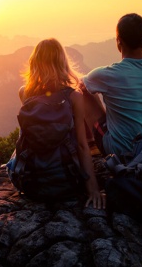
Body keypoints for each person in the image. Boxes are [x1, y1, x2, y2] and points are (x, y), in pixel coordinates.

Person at [18, 38, 105, 209]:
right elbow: (81, 145)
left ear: (35, 63)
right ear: (62, 62)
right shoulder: (74, 96)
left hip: (32, 182)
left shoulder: (24, 93)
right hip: (67, 179)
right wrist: (93, 189)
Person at [81, 13, 142, 158]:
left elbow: (79, 85)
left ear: (119, 41)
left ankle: (89, 147)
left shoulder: (106, 75)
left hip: (121, 150)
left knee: (83, 93)